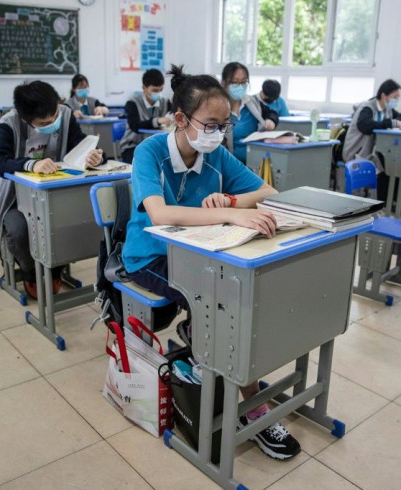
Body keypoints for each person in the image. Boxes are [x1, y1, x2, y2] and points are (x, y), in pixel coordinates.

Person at [122, 64, 301, 461]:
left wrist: (232, 202)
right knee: (220, 305)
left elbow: (268, 191)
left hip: (203, 252)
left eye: (225, 123)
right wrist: (229, 216)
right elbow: (159, 215)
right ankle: (250, 401)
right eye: (212, 123)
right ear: (181, 119)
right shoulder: (148, 152)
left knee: (248, 295)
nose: (219, 132)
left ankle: (229, 364)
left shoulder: (217, 155)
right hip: (149, 256)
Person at [0, 81, 104, 299]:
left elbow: (81, 145)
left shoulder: (65, 114)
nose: (53, 122)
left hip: (56, 195)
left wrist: (96, 156)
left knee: (67, 222)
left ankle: (55, 268)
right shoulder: (9, 123)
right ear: (26, 119)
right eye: (45, 122)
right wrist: (31, 164)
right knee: (19, 230)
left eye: (54, 116)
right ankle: (30, 270)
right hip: (17, 199)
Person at [343, 79, 401, 199]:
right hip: (357, 152)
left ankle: (389, 201)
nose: (396, 100)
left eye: (398, 97)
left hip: (374, 152)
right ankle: (382, 202)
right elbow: (365, 126)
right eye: (395, 97)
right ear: (384, 96)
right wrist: (393, 123)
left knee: (394, 163)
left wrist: (399, 122)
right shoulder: (368, 108)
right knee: (386, 166)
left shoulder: (388, 110)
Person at [221, 62, 278, 163]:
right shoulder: (218, 107)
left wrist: (271, 121)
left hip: (255, 162)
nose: (240, 86)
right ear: (224, 83)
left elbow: (271, 113)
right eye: (235, 82)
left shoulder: (251, 102)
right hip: (230, 164)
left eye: (243, 82)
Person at [118, 68, 173, 163]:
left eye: (161, 90)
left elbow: (175, 114)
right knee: (149, 162)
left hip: (156, 146)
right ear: (144, 88)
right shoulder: (133, 103)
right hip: (132, 146)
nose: (159, 93)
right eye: (155, 90)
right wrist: (157, 121)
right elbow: (135, 126)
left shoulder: (165, 102)